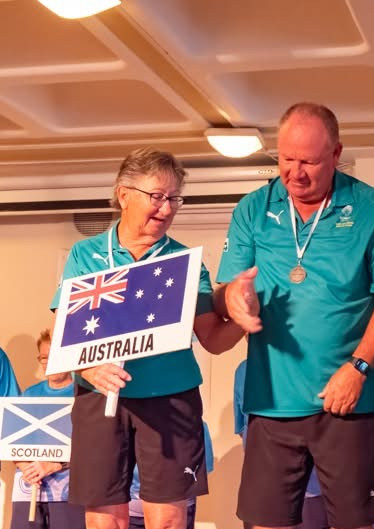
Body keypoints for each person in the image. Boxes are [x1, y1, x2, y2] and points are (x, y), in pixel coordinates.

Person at [214, 102, 374, 529]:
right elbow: (226, 292)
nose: (295, 173)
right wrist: (233, 300)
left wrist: (358, 369)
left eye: (310, 162)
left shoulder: (372, 206)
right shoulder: (253, 209)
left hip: (349, 400)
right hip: (271, 402)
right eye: (286, 159)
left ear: (336, 154)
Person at [51, 147, 245, 529]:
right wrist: (90, 368)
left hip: (171, 400)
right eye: (157, 196)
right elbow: (64, 331)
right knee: (106, 520)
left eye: (174, 198)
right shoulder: (85, 253)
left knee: (168, 519)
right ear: (124, 194)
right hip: (100, 399)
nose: (167, 207)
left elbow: (213, 339)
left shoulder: (186, 262)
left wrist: (243, 317)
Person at [233, 359, 329, 529]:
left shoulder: (315, 363)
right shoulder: (243, 370)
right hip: (260, 491)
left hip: (311, 490)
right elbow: (244, 428)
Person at [10, 330, 83, 529]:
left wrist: (55, 464)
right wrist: (26, 467)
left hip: (69, 490)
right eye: (44, 357)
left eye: (55, 356)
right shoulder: (30, 394)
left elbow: (90, 444)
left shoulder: (83, 394)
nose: (49, 362)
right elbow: (14, 442)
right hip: (28, 488)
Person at [128, 422, 214, 529]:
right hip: (178, 505)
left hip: (132, 506)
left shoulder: (124, 421)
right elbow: (205, 467)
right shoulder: (195, 423)